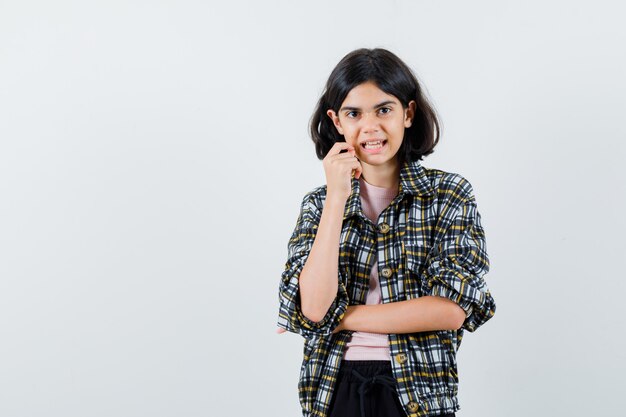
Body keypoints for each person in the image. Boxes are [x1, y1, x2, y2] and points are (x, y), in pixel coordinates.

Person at [276, 47, 496, 417]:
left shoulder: (448, 194)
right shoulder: (318, 204)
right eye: (353, 113)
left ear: (407, 113)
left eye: (384, 109)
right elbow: (314, 307)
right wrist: (336, 198)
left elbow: (450, 309)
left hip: (419, 391)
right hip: (333, 388)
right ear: (337, 121)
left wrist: (340, 316)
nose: (371, 127)